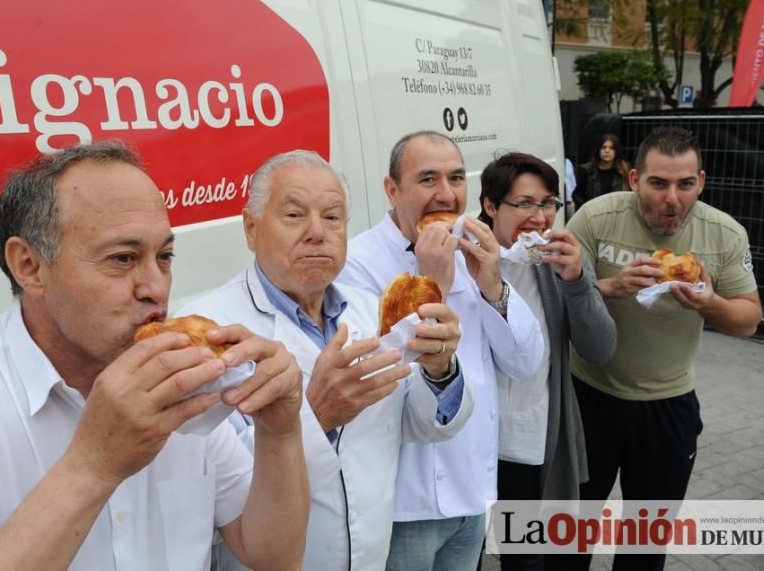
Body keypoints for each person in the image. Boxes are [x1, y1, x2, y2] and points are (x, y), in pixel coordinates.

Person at [0, 141, 309, 570]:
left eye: (164, 257)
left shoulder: (184, 379)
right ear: (30, 267)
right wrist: (94, 464)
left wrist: (280, 430)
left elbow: (272, 554)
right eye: (123, 259)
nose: (156, 289)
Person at [181, 150, 472, 570]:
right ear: (251, 228)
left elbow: (415, 424)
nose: (318, 232)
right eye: (295, 215)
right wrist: (315, 414)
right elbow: (211, 486)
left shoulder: (374, 311)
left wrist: (438, 369)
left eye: (333, 217)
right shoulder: (209, 332)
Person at [337, 131, 544, 570]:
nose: (446, 195)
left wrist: (493, 285)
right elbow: (376, 373)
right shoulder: (357, 264)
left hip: (474, 493)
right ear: (392, 190)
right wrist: (434, 285)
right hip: (404, 504)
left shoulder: (473, 250)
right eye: (427, 179)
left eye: (456, 178)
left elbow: (525, 363)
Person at [565, 127, 762, 570]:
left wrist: (711, 303)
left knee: (643, 549)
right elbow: (551, 298)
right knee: (569, 538)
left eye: (685, 184)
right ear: (634, 179)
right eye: (658, 183)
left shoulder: (724, 235)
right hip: (588, 398)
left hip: (667, 406)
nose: (672, 198)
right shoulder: (596, 218)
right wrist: (610, 287)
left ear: (701, 182)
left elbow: (749, 320)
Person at [477, 152, 616, 570]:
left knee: (526, 562)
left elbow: (601, 347)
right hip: (471, 448)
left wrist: (576, 282)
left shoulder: (558, 262)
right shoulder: (461, 259)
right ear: (490, 206)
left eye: (548, 203)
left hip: (532, 446)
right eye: (524, 204)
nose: (539, 218)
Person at [572, 133, 629, 209]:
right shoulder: (586, 171)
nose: (607, 151)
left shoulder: (623, 172)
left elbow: (629, 196)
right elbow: (577, 196)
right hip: (592, 215)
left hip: (616, 216)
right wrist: (589, 209)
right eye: (604, 147)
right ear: (598, 150)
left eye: (611, 148)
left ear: (616, 151)